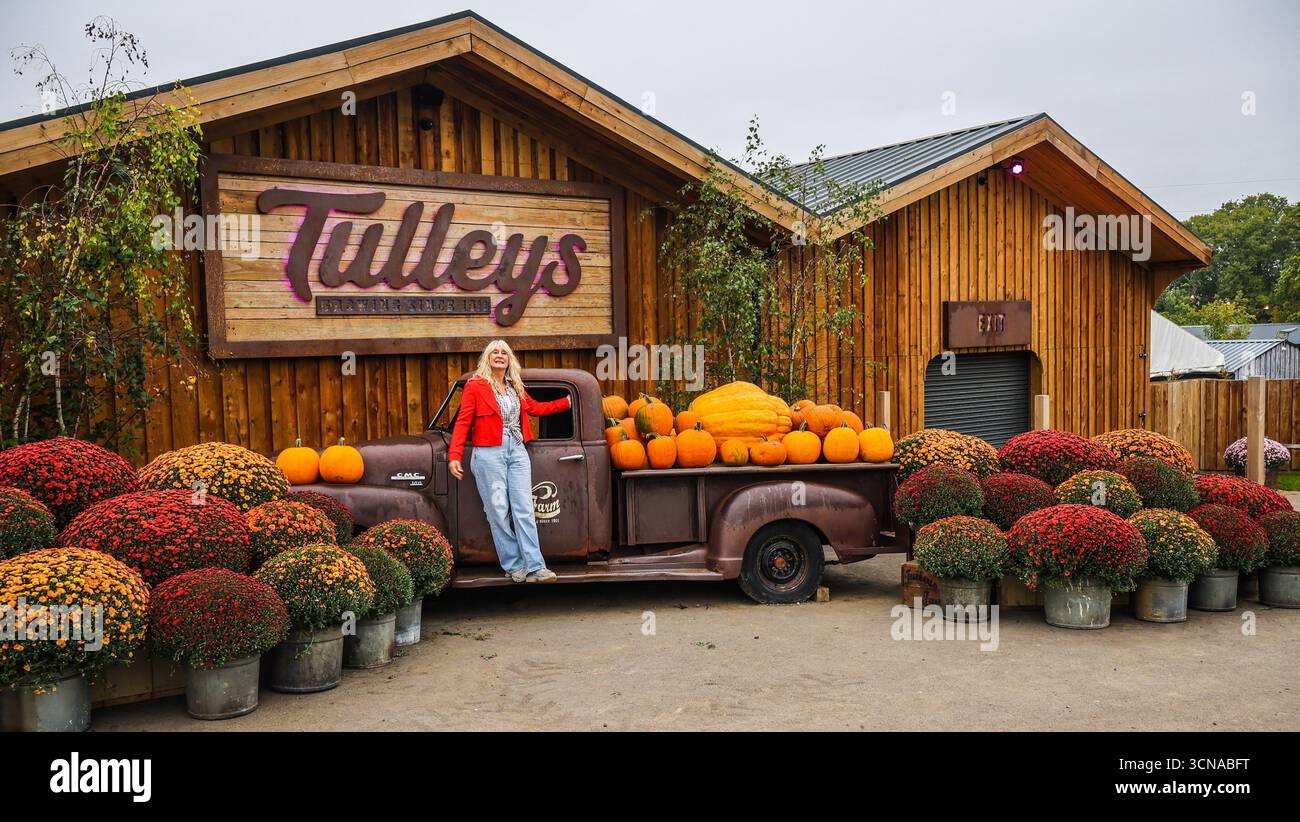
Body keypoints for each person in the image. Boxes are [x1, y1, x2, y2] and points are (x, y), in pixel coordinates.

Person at [448, 340, 571, 583]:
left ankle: (536, 566)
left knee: (524, 509)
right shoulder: (476, 386)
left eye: (504, 352)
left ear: (509, 359)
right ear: (487, 358)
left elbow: (535, 408)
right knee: (498, 511)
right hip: (488, 453)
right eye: (494, 351)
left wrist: (565, 403)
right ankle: (514, 565)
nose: (499, 355)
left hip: (517, 449)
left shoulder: (515, 386)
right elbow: (463, 422)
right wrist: (454, 455)